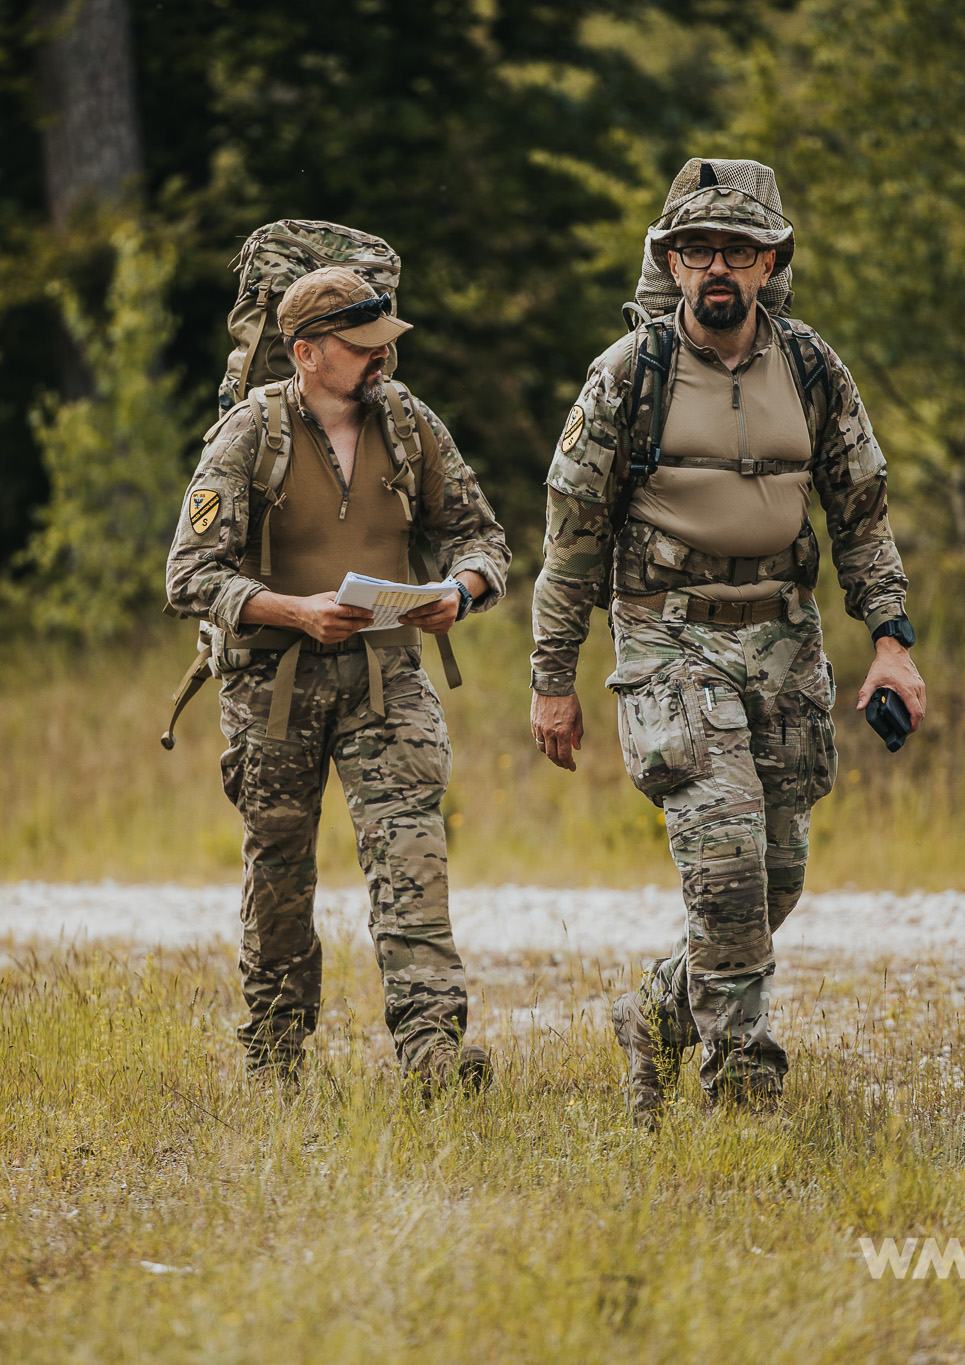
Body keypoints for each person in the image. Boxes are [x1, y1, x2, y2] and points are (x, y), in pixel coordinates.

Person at [527, 161, 926, 1123]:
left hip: (785, 643)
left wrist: (891, 640)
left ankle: (658, 1014)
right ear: (670, 259)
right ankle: (743, 1091)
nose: (718, 268)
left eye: (738, 252)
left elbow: (861, 514)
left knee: (776, 875)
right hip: (671, 642)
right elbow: (571, 536)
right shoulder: (628, 378)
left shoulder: (814, 368)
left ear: (770, 263)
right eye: (700, 249)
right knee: (726, 869)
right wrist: (553, 679)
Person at [166, 266, 511, 1090]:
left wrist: (456, 594)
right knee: (281, 873)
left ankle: (433, 1053)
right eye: (360, 350)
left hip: (387, 681)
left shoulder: (411, 425)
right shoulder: (250, 435)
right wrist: (293, 610)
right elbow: (187, 574)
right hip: (271, 688)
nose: (379, 363)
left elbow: (482, 537)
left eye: (384, 346)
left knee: (412, 856)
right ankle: (275, 1058)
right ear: (306, 353)